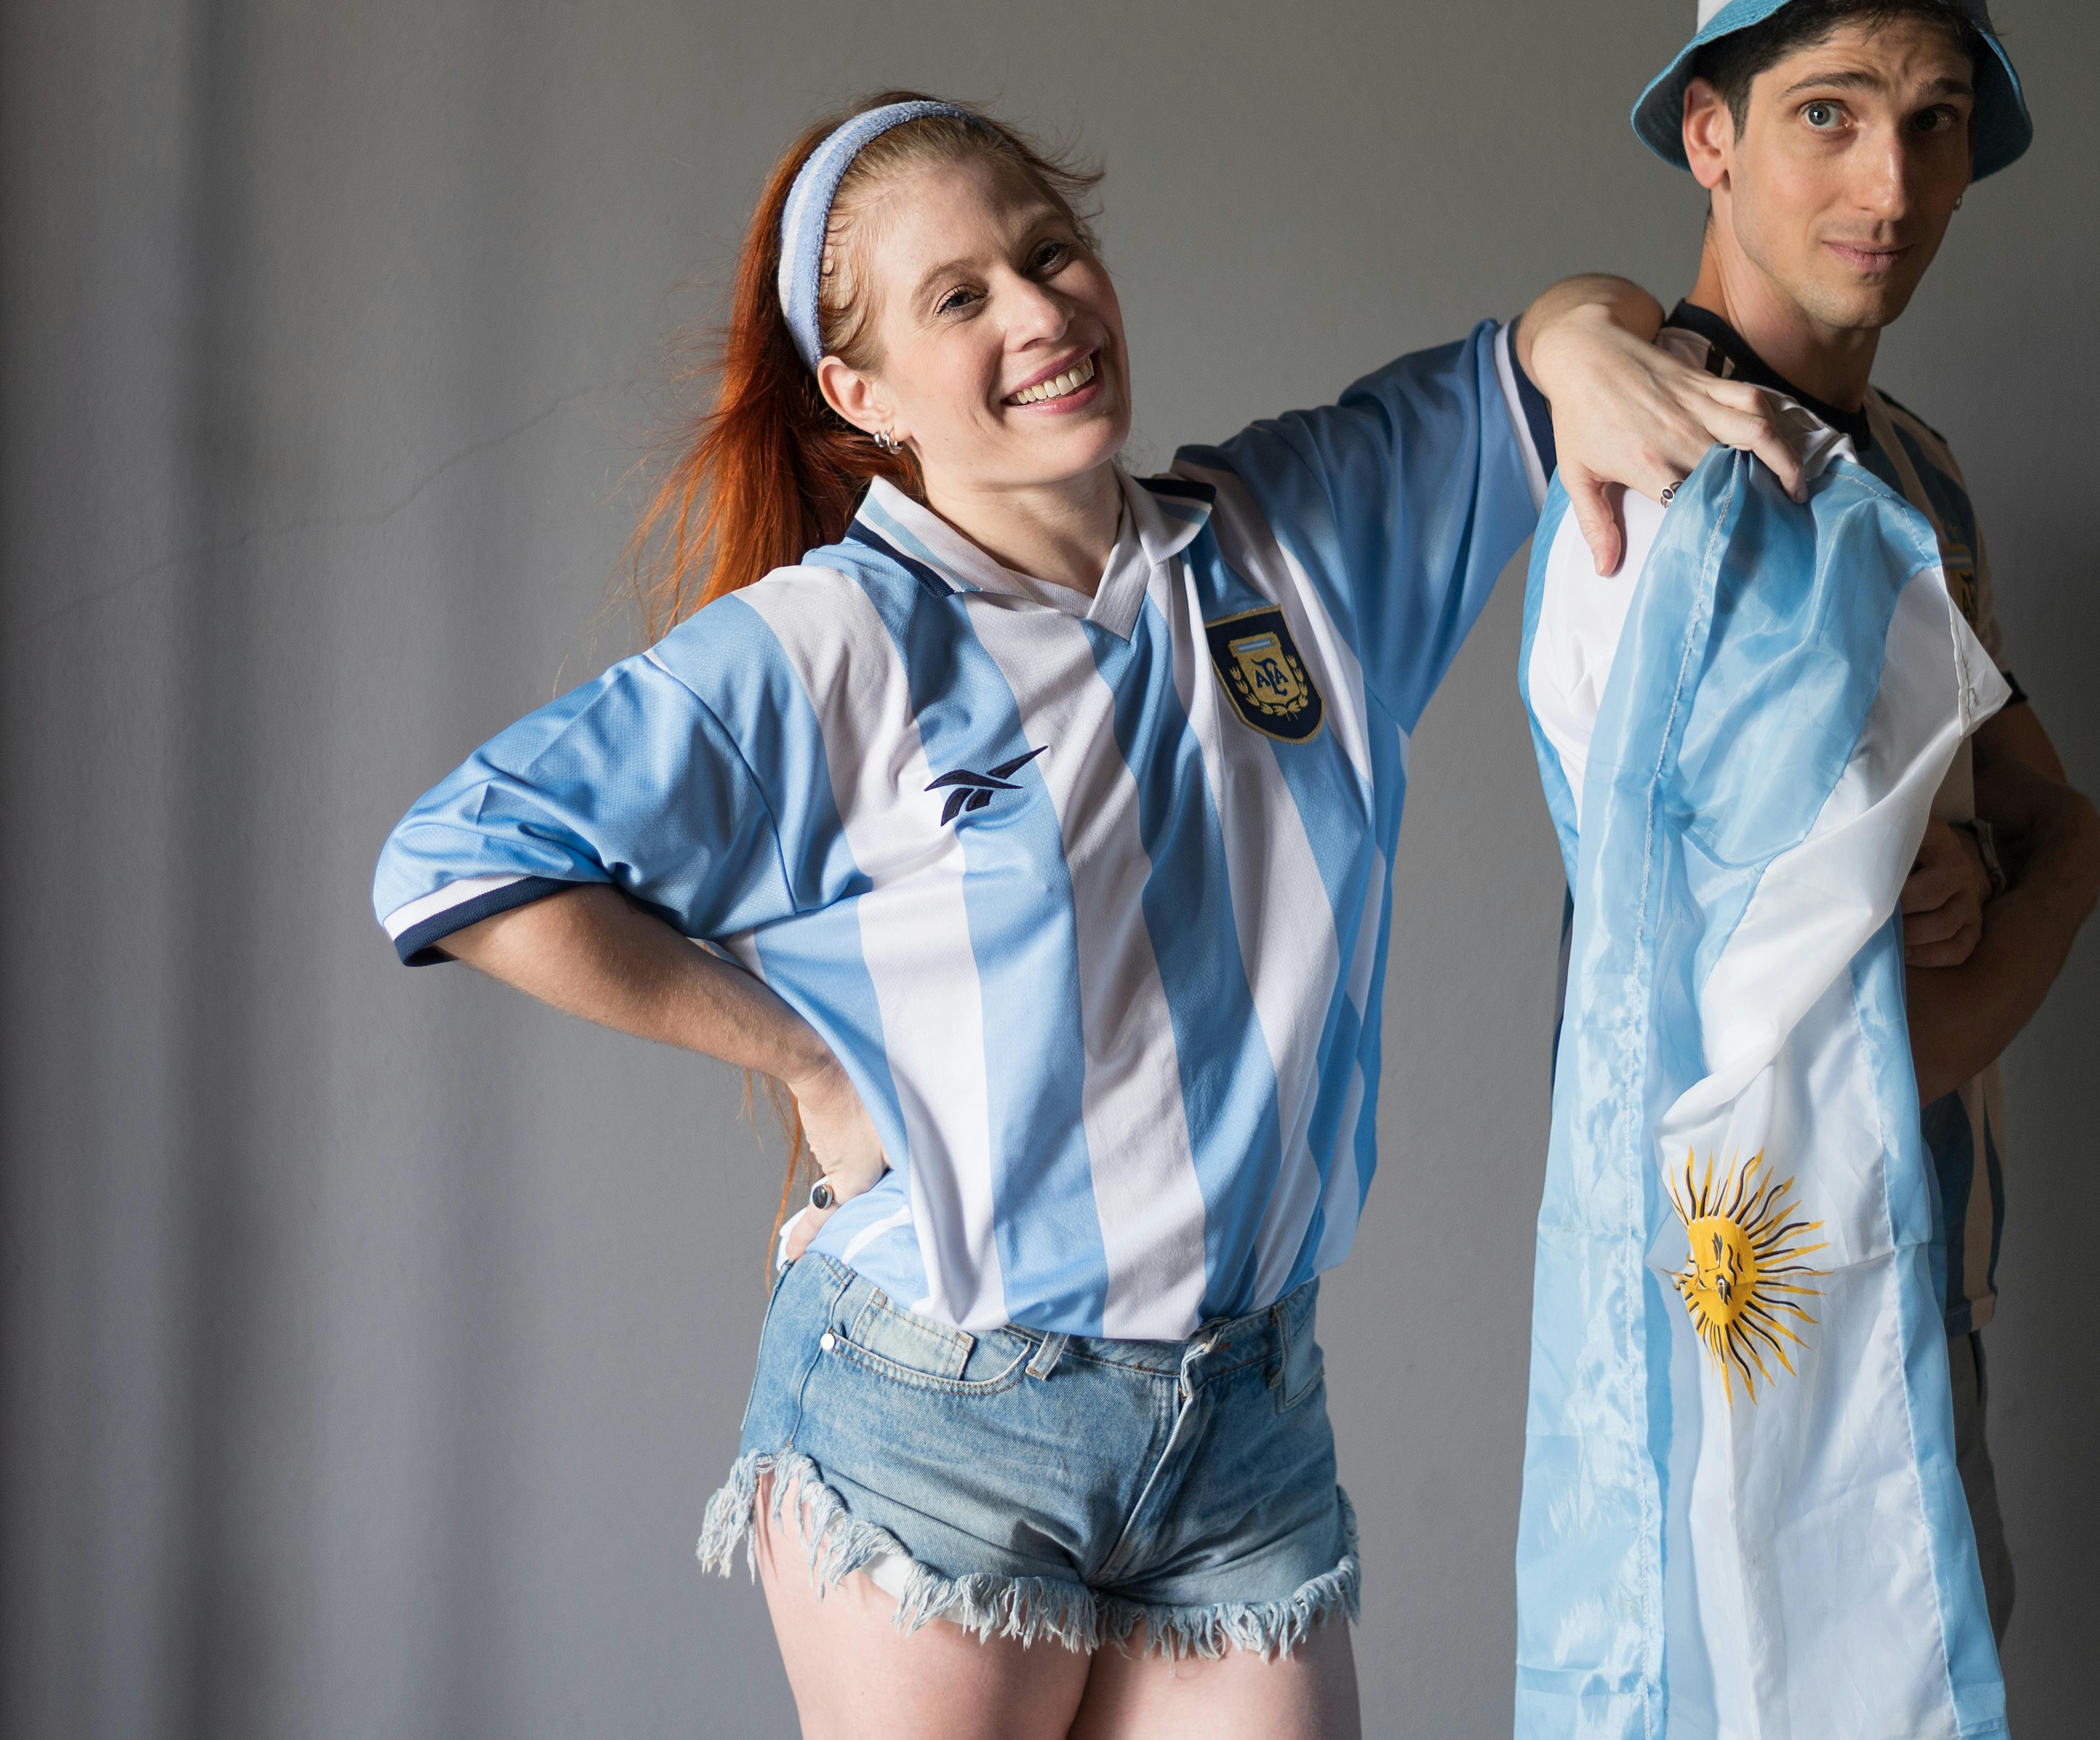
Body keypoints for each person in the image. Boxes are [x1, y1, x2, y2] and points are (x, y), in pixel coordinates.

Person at [370, 92, 1810, 1740]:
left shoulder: (1294, 543)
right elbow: (455, 860)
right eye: (958, 297)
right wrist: (814, 1067)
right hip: (946, 1422)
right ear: (860, 395)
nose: (1040, 309)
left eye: (1050, 253)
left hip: (1247, 1424)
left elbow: (1542, 354)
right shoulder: (831, 646)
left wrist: (1578, 331)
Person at [1525, 0, 2100, 1663]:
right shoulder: (1681, 496)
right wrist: (2072, 866)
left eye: (1933, 123)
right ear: (1708, 133)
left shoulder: (1903, 474)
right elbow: (1842, 1057)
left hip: (1911, 1282)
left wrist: (1988, 841)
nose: (1891, 184)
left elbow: (1997, 796)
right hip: (1764, 1329)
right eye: (1827, 114)